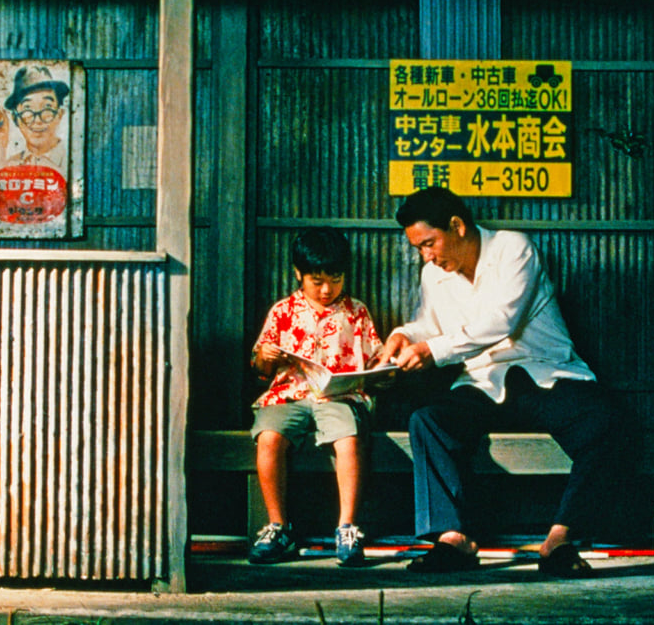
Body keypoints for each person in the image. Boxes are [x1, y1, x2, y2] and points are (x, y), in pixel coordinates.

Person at [372, 187, 620, 578]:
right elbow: (429, 326)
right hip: (482, 382)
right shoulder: (433, 274)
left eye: (429, 243)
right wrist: (405, 335)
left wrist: (432, 350)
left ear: (457, 226)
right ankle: (454, 538)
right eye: (419, 249)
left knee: (606, 423)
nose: (426, 256)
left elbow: (501, 321)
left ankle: (560, 539)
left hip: (544, 374)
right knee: (428, 422)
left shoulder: (512, 248)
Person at [248, 227, 384, 567]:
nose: (327, 290)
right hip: (288, 395)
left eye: (335, 280)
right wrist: (266, 356)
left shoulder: (356, 312)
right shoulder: (283, 311)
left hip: (339, 396)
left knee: (349, 439)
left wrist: (385, 370)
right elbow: (261, 368)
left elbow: (375, 360)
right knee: (268, 437)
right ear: (299, 274)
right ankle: (278, 527)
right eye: (317, 281)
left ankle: (347, 527)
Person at [0, 65, 70, 172]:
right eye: (27, 109)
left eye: (47, 107)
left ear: (59, 114)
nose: (37, 120)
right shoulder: (11, 165)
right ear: (15, 118)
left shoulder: (74, 160)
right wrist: (0, 143)